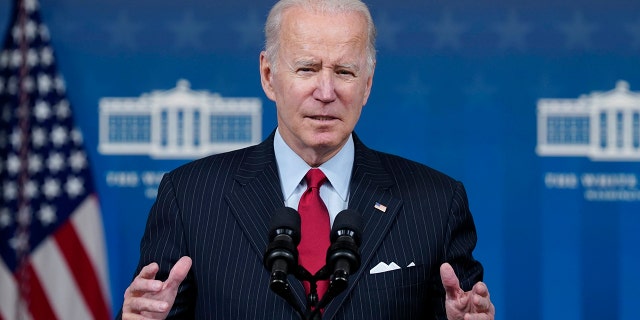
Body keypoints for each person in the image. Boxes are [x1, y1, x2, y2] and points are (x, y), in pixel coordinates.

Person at [118, 0, 496, 319]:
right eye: (308, 69)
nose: (326, 92)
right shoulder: (190, 196)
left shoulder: (436, 202)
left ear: (367, 84)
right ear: (268, 75)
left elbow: (462, 309)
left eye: (344, 71)